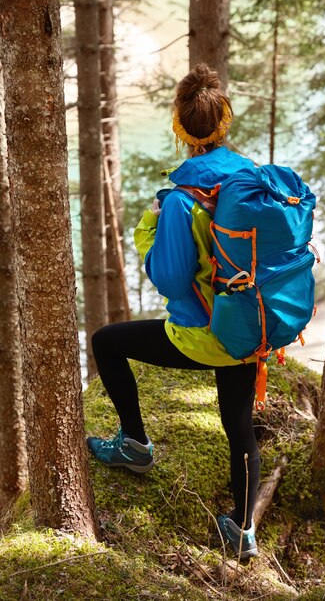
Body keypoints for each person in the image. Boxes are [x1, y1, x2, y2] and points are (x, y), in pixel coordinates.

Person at [87, 63, 259, 559]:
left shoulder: (182, 200)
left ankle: (135, 446)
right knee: (239, 426)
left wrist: (149, 224)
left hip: (203, 333)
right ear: (224, 122)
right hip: (250, 327)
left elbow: (168, 278)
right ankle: (243, 531)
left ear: (179, 128)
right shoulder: (251, 176)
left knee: (105, 341)